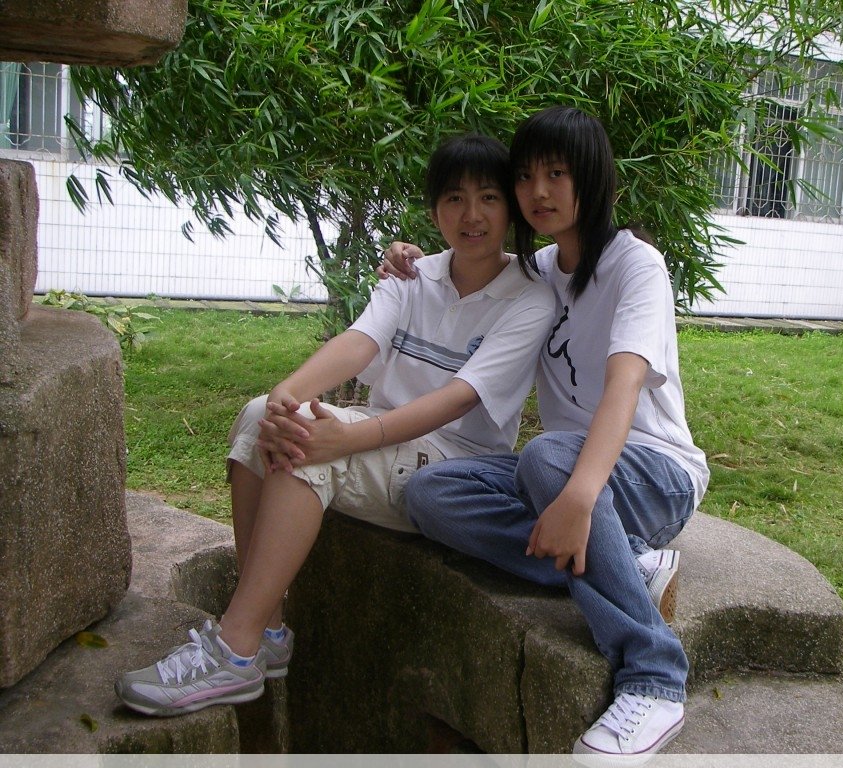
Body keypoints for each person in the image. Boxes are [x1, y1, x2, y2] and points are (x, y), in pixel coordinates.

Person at [114, 134, 557, 717]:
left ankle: (235, 649)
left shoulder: (530, 298)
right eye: (454, 198)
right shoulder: (413, 274)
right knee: (259, 416)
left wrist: (348, 436)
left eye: (489, 198)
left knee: (311, 449)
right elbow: (361, 340)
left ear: (511, 210)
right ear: (433, 211)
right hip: (380, 435)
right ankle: (265, 632)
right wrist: (288, 393)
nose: (471, 215)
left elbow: (458, 400)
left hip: (451, 464)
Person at [380, 106, 710, 760]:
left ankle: (653, 675)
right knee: (428, 493)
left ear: (593, 178)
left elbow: (623, 385)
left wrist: (581, 499)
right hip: (562, 471)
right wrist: (409, 259)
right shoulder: (537, 273)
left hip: (655, 473)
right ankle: (622, 561)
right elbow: (466, 262)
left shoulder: (635, 265)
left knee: (546, 455)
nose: (537, 192)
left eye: (556, 174)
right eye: (525, 176)